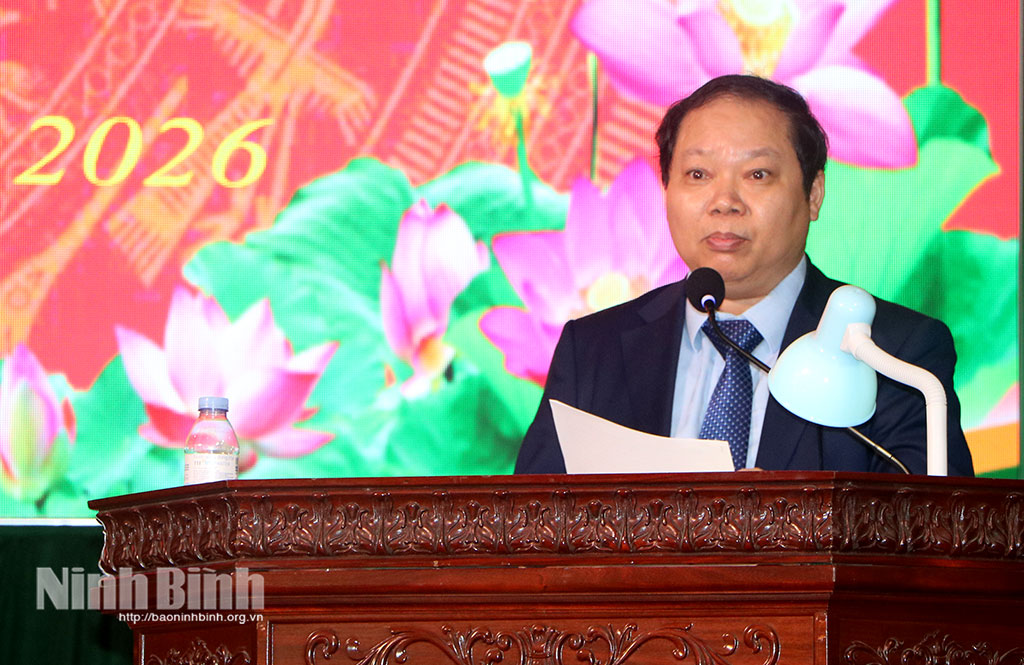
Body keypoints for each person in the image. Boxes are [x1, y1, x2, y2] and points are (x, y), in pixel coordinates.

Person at [514, 74, 974, 476]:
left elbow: (928, 531)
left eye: (757, 175)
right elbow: (528, 526)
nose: (724, 201)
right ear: (666, 190)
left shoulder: (895, 355)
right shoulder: (593, 349)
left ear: (814, 193)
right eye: (698, 174)